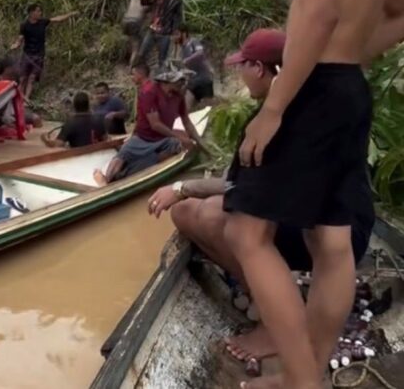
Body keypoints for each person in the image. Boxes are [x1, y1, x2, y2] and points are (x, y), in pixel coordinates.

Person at [222, 0, 401, 389]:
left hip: (315, 88)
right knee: (331, 241)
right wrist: (357, 52)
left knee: (247, 233)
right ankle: (306, 373)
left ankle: (303, 381)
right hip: (348, 88)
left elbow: (318, 11)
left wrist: (273, 109)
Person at [146, 29, 374, 368]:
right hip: (348, 233)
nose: (240, 74)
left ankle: (275, 325)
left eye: (242, 66)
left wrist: (181, 189)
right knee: (206, 210)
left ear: (258, 68)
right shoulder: (326, 95)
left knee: (209, 216)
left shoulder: (272, 120)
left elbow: (235, 190)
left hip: (321, 236)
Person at [93, 66, 203, 186]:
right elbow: (155, 124)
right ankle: (106, 180)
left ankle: (136, 172)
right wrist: (179, 137)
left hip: (163, 138)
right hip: (143, 137)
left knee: (174, 148)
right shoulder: (149, 93)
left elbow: (186, 121)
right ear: (167, 82)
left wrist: (200, 142)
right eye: (180, 81)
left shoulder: (178, 96)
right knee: (124, 154)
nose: (183, 85)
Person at [11, 4, 78, 100]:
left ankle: (27, 98)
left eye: (40, 11)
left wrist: (70, 14)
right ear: (31, 13)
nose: (40, 13)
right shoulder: (24, 25)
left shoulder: (43, 22)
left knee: (32, 78)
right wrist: (15, 45)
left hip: (39, 55)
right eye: (38, 11)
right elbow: (20, 39)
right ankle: (19, 98)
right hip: (27, 55)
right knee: (22, 78)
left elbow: (57, 19)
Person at [139, 0, 183, 70]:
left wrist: (175, 31)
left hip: (165, 33)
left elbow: (178, 17)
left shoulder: (176, 0)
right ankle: (143, 73)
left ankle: (161, 75)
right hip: (152, 30)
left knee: (162, 59)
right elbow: (145, 2)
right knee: (142, 53)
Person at [0, 56, 43, 130]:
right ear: (0, 75)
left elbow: (18, 95)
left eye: (12, 75)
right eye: (8, 75)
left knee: (36, 119)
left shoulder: (14, 83)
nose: (11, 78)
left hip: (13, 112)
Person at [172, 23, 214, 109]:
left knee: (207, 108)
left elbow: (200, 53)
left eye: (177, 34)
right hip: (192, 82)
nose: (175, 37)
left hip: (203, 80)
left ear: (184, 33)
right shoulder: (181, 49)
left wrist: (187, 60)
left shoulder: (193, 42)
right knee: (186, 108)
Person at [121, 0, 148, 66]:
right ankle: (130, 68)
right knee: (136, 47)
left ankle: (126, 58)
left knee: (130, 40)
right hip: (135, 22)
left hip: (125, 20)